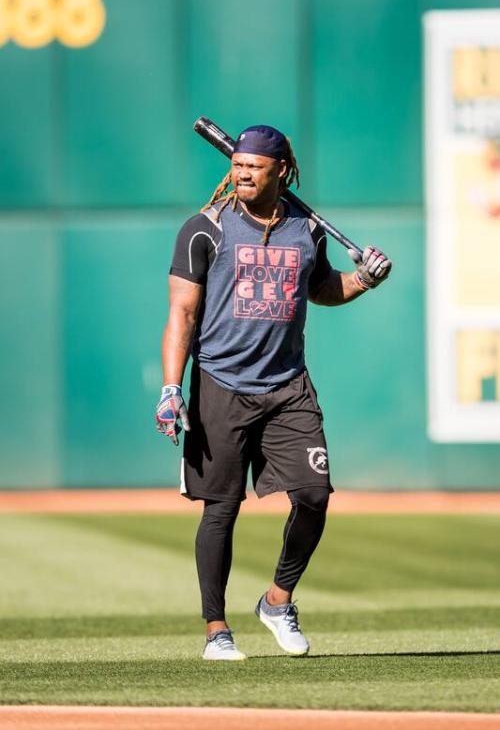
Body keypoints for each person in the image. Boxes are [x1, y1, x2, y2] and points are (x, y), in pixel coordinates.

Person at [156, 124, 391, 660]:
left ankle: (277, 600)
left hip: (288, 385)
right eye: (237, 164)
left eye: (253, 166)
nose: (241, 173)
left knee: (314, 495)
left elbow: (324, 289)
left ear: (281, 171)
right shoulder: (204, 229)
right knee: (221, 507)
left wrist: (365, 280)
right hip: (220, 382)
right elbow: (182, 313)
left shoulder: (307, 231)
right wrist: (172, 387)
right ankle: (217, 630)